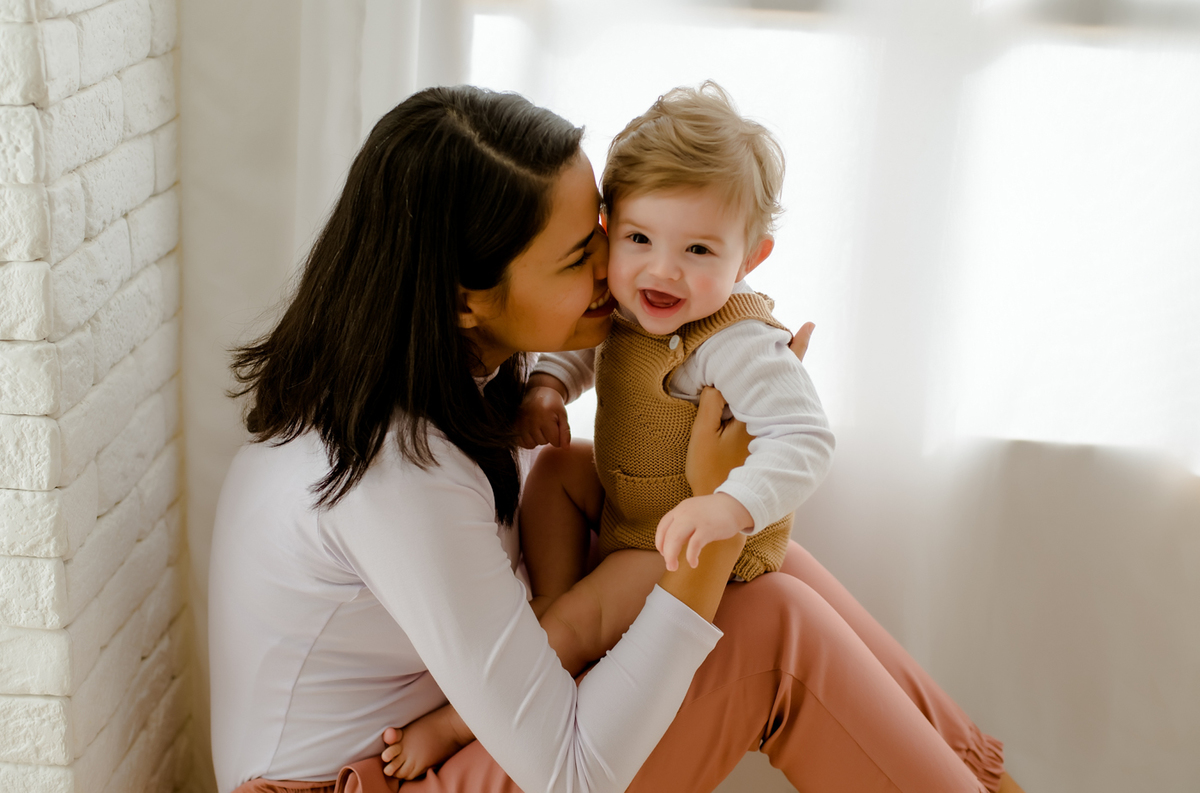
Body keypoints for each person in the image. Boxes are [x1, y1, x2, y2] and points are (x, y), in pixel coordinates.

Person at [209, 84, 1020, 793]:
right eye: (581, 255)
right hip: (367, 780)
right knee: (765, 616)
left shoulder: (459, 375)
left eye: (604, 228)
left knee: (765, 556)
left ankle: (987, 780)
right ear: (467, 298)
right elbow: (571, 776)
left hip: (440, 738)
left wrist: (720, 483)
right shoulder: (394, 469)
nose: (615, 270)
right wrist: (709, 505)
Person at [382, 81, 837, 779]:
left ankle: (466, 712)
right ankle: (558, 602)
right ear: (609, 228)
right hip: (630, 499)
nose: (662, 269)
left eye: (699, 250)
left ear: (750, 258)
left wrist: (726, 504)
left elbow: (805, 438)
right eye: (639, 238)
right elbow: (590, 350)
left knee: (580, 617)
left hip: (677, 535)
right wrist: (547, 385)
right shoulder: (634, 304)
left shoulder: (740, 342)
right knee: (559, 471)